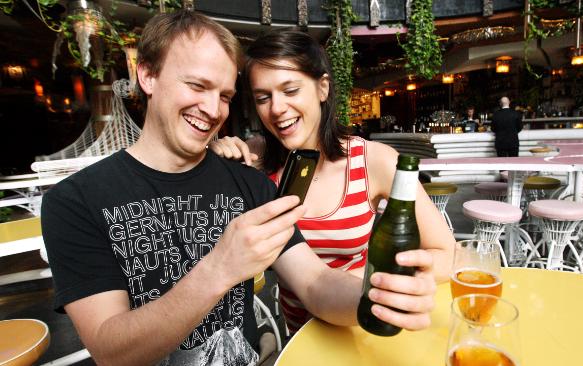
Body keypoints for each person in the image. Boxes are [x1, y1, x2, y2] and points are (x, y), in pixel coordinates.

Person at [40, 10, 438, 366]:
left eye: (226, 96)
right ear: (147, 75)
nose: (213, 111)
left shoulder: (250, 184)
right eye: (197, 85)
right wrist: (219, 268)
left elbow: (315, 283)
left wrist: (373, 299)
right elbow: (111, 351)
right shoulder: (73, 201)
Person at [210, 30, 455, 334]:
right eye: (263, 97)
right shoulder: (255, 164)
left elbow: (447, 254)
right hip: (303, 340)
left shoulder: (374, 161)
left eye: (290, 90)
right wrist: (215, 157)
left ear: (322, 88)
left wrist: (399, 280)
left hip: (368, 325)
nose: (276, 108)